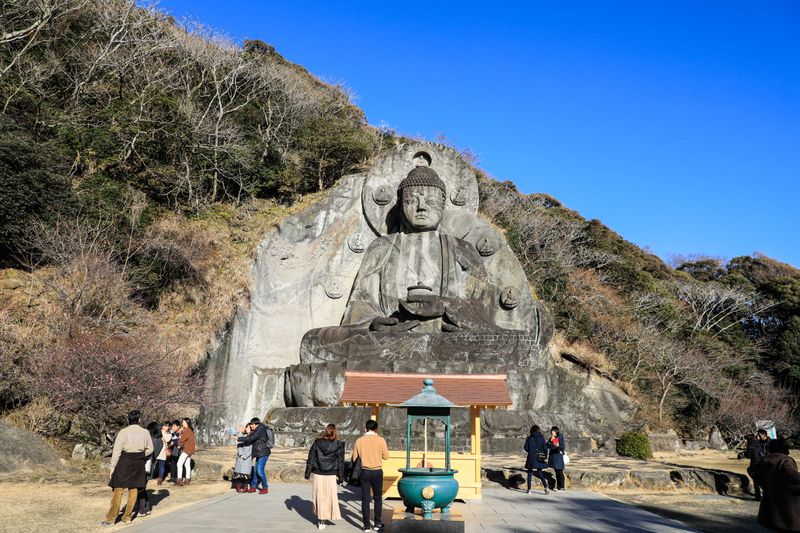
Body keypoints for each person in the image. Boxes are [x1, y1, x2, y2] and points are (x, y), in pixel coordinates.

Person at [102, 410, 154, 526]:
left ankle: (111, 518)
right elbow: (150, 449)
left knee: (118, 490)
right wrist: (141, 455)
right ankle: (127, 517)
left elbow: (116, 451)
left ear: (128, 419)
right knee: (133, 491)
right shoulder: (145, 432)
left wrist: (112, 468)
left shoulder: (123, 432)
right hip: (138, 463)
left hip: (124, 462)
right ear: (139, 420)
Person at [751, 438, 800, 532]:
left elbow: (752, 470)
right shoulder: (785, 461)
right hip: (789, 503)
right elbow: (793, 477)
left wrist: (764, 484)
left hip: (772, 502)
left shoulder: (765, 460)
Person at [305, 423, 346, 530]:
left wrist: (307, 473)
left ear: (325, 431)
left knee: (319, 496)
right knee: (330, 496)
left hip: (318, 473)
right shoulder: (338, 444)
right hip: (331, 474)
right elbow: (340, 462)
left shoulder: (317, 442)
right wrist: (341, 478)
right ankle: (328, 515)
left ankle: (321, 520)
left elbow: (311, 458)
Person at [353, 419, 389, 532]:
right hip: (377, 471)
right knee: (378, 498)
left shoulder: (359, 441)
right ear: (376, 429)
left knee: (365, 499)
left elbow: (354, 458)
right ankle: (377, 524)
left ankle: (366, 525)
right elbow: (386, 456)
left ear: (366, 428)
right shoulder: (381, 440)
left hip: (364, 472)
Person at [237, 417, 275, 494]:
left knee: (259, 471)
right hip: (259, 452)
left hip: (263, 452)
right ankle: (253, 487)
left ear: (256, 424)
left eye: (252, 424)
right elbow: (251, 438)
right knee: (255, 470)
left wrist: (238, 438)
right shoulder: (257, 430)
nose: (251, 426)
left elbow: (252, 438)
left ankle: (265, 487)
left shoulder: (260, 429)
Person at [136, 422, 162, 517]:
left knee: (140, 488)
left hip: (145, 466)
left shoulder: (152, 440)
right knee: (142, 487)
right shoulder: (160, 440)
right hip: (151, 467)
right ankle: (146, 508)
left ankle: (142, 509)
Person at [746, 428, 771, 501]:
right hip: (759, 463)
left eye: (759, 435)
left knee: (764, 480)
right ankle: (759, 496)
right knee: (758, 479)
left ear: (764, 435)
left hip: (767, 463)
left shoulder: (771, 443)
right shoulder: (758, 443)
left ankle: (766, 494)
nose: (758, 437)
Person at [524, 425, 549, 495]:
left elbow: (526, 448)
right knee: (540, 473)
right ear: (538, 430)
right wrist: (545, 456)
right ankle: (546, 488)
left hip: (531, 458)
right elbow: (545, 449)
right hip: (539, 458)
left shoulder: (529, 438)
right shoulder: (542, 438)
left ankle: (529, 489)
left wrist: (531, 450)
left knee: (529, 473)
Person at [232, 423, 254, 493]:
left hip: (248, 457)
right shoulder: (242, 435)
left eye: (249, 428)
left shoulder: (253, 437)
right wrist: (241, 454)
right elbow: (239, 446)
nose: (248, 429)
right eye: (247, 427)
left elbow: (252, 449)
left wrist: (246, 456)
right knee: (238, 472)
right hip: (240, 456)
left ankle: (245, 486)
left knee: (246, 473)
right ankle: (238, 485)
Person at [176, 417, 196, 486]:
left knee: (179, 464)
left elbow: (181, 440)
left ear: (187, 423)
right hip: (190, 450)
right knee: (187, 464)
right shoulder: (190, 430)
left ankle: (179, 480)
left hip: (187, 450)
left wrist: (179, 444)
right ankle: (187, 480)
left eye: (183, 422)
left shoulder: (187, 430)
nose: (182, 423)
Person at [547, 426, 567, 492]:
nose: (552, 433)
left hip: (558, 457)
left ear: (556, 432)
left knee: (560, 472)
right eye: (552, 432)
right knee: (557, 472)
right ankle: (559, 486)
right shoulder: (552, 438)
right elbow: (547, 446)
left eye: (553, 432)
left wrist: (556, 444)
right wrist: (550, 441)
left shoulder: (559, 437)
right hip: (554, 457)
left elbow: (562, 447)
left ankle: (562, 487)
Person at [154, 421, 170, 485]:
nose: (165, 427)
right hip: (156, 450)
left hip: (163, 451)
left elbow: (167, 440)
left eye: (167, 426)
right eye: (164, 426)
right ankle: (152, 475)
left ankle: (160, 479)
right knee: (154, 464)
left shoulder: (169, 434)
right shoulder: (158, 432)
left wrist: (163, 432)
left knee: (161, 466)